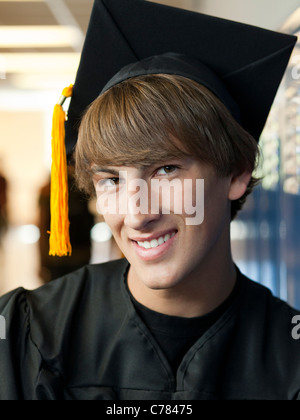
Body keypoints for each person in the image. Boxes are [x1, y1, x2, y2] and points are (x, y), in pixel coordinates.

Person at [0, 0, 299, 400]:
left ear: (237, 172)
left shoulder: (290, 355)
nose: (137, 214)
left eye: (165, 170)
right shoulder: (27, 333)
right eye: (110, 179)